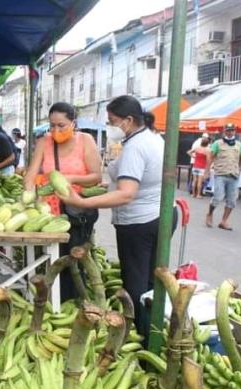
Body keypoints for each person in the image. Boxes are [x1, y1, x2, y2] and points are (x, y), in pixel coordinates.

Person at [56, 95, 162, 337]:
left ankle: (141, 338)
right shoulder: (151, 137)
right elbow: (125, 178)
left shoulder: (137, 146)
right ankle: (153, 333)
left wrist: (81, 201)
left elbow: (126, 194)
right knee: (148, 284)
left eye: (112, 121)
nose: (110, 126)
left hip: (139, 224)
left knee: (135, 288)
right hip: (156, 218)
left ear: (128, 120)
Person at [24, 102, 102, 300]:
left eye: (61, 125)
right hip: (50, 212)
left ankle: (75, 303)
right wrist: (28, 193)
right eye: (52, 125)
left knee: (73, 261)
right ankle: (52, 300)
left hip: (78, 209)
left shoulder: (86, 140)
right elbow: (31, 173)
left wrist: (71, 179)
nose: (56, 130)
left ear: (73, 123)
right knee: (53, 259)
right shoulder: (44, 142)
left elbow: (96, 176)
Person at [204, 123, 241, 231]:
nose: (230, 132)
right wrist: (206, 171)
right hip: (220, 174)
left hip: (234, 175)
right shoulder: (217, 143)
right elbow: (210, 157)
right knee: (218, 197)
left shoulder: (239, 145)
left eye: (232, 130)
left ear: (235, 131)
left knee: (232, 200)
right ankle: (210, 214)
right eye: (228, 130)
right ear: (224, 131)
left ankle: (224, 221)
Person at [187, 134, 210, 198]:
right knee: (199, 182)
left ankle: (193, 194)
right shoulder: (207, 150)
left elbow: (188, 152)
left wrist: (193, 156)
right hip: (202, 167)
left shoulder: (197, 148)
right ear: (207, 144)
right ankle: (198, 194)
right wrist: (207, 169)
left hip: (195, 166)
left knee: (194, 181)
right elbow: (208, 160)